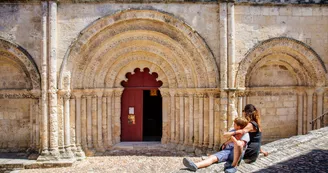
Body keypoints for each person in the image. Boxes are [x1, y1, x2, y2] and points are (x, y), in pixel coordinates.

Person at [182, 117, 250, 172]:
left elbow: (239, 145)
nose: (233, 125)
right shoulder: (234, 131)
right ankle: (195, 165)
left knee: (237, 146)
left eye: (235, 124)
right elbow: (225, 135)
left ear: (239, 126)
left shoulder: (246, 135)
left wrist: (233, 139)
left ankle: (234, 166)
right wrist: (235, 133)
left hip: (236, 154)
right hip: (227, 151)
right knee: (212, 157)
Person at [223, 104, 268, 172]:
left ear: (246, 113)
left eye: (244, 111)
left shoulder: (251, 124)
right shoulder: (256, 123)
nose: (243, 113)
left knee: (238, 145)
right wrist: (261, 151)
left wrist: (231, 133)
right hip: (255, 152)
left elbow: (242, 132)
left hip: (250, 153)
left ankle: (234, 165)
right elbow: (256, 140)